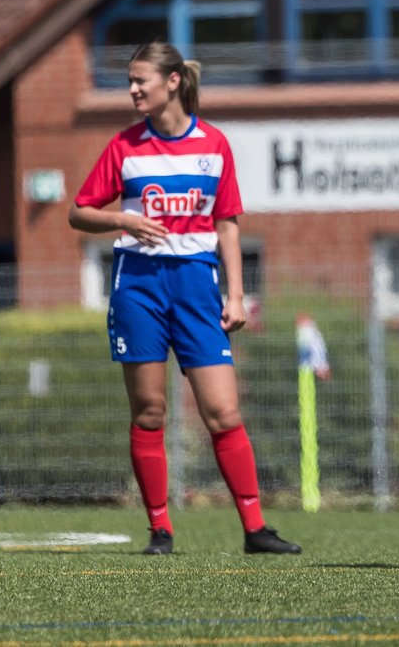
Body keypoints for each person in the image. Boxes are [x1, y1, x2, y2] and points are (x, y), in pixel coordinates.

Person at [69, 42, 302, 556]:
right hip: (139, 287)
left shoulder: (214, 144)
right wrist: (122, 219)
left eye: (140, 80)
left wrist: (236, 294)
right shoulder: (125, 147)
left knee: (223, 411)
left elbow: (228, 224)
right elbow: (79, 211)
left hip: (198, 287)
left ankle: (256, 530)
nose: (132, 89)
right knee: (149, 411)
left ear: (172, 81)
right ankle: (160, 530)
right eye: (130, 81)